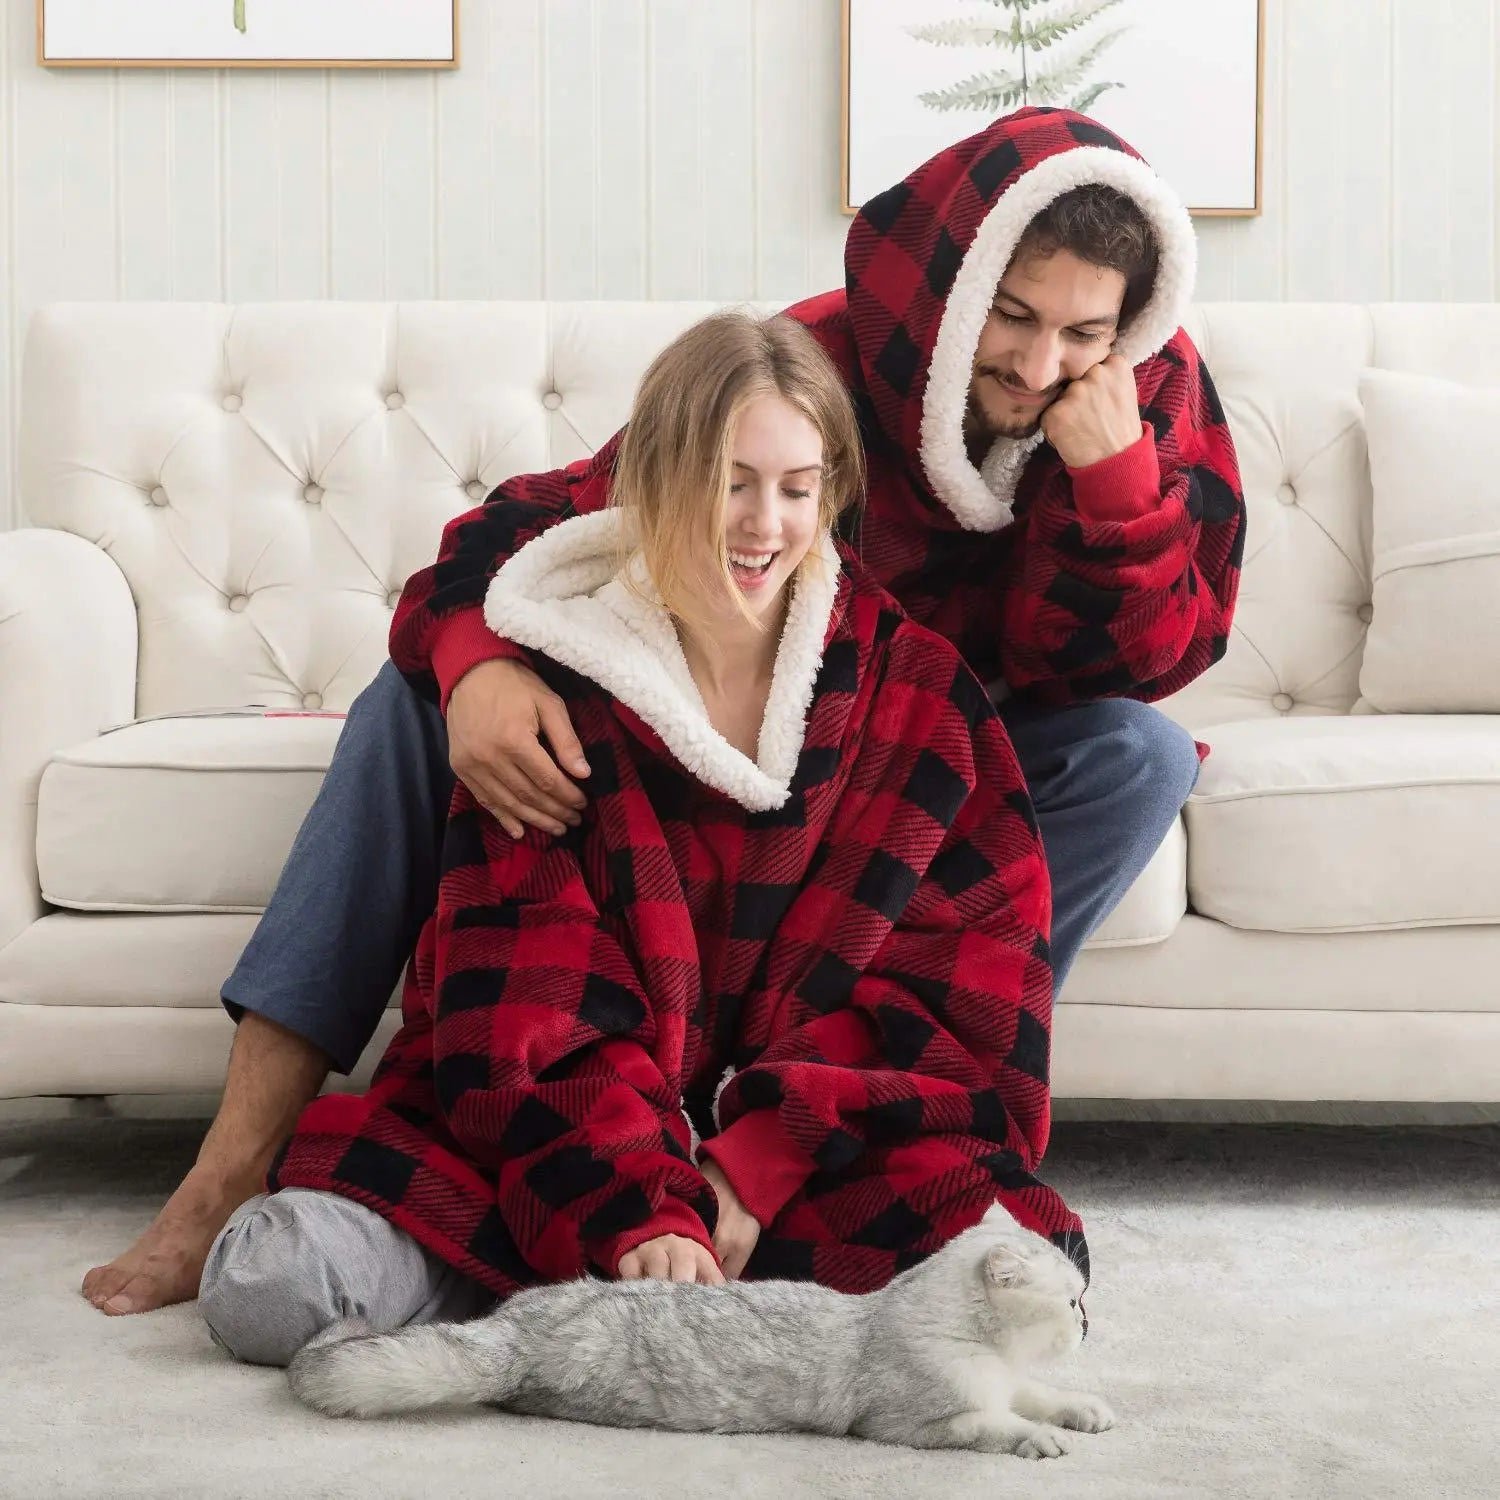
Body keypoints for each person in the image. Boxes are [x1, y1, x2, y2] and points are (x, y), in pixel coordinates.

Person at [82, 105, 1243, 1317]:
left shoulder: (1145, 409)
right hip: (724, 716)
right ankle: (230, 1168)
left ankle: (862, 1109)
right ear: (955, 285)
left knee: (1141, 756)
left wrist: (1118, 488)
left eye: (1080, 333)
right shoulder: (801, 371)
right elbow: (556, 528)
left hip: (925, 758)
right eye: (1011, 315)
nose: (1039, 361)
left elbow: (1144, 665)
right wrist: (477, 663)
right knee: (409, 701)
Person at [192, 310, 1081, 1366]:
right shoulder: (560, 687)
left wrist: (753, 1157)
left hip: (812, 1148)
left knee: (1024, 1266)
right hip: (571, 1135)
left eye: (798, 488)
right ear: (657, 476)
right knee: (275, 1286)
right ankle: (643, 1281)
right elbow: (524, 990)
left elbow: (957, 992)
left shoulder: (919, 694)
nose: (764, 523)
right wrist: (637, 1199)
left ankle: (586, 1303)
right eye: (731, 481)